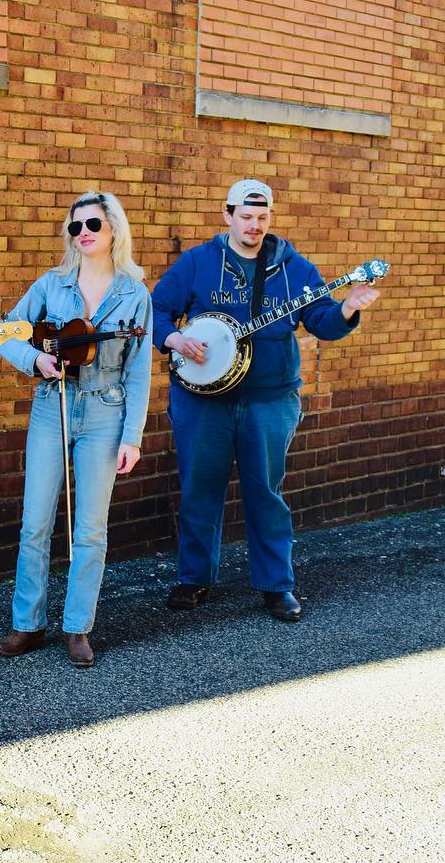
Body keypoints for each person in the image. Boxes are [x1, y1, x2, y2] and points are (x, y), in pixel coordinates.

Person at [153, 179, 380, 621]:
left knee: (266, 493)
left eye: (262, 217)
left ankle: (276, 585)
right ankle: (194, 577)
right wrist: (175, 338)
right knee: (199, 489)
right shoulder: (198, 262)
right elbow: (156, 309)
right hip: (201, 400)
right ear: (228, 215)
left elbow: (322, 321)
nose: (254, 225)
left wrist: (348, 307)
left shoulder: (294, 268)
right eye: (246, 216)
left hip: (270, 400)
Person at [0, 192, 152, 667]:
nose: (83, 233)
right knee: (36, 520)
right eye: (75, 226)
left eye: (93, 225)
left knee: (90, 528)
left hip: (106, 411)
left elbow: (139, 372)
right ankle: (27, 623)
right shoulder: (52, 284)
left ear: (113, 231)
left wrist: (132, 437)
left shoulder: (134, 293)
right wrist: (35, 359)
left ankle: (78, 626)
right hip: (51, 406)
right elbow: (4, 332)